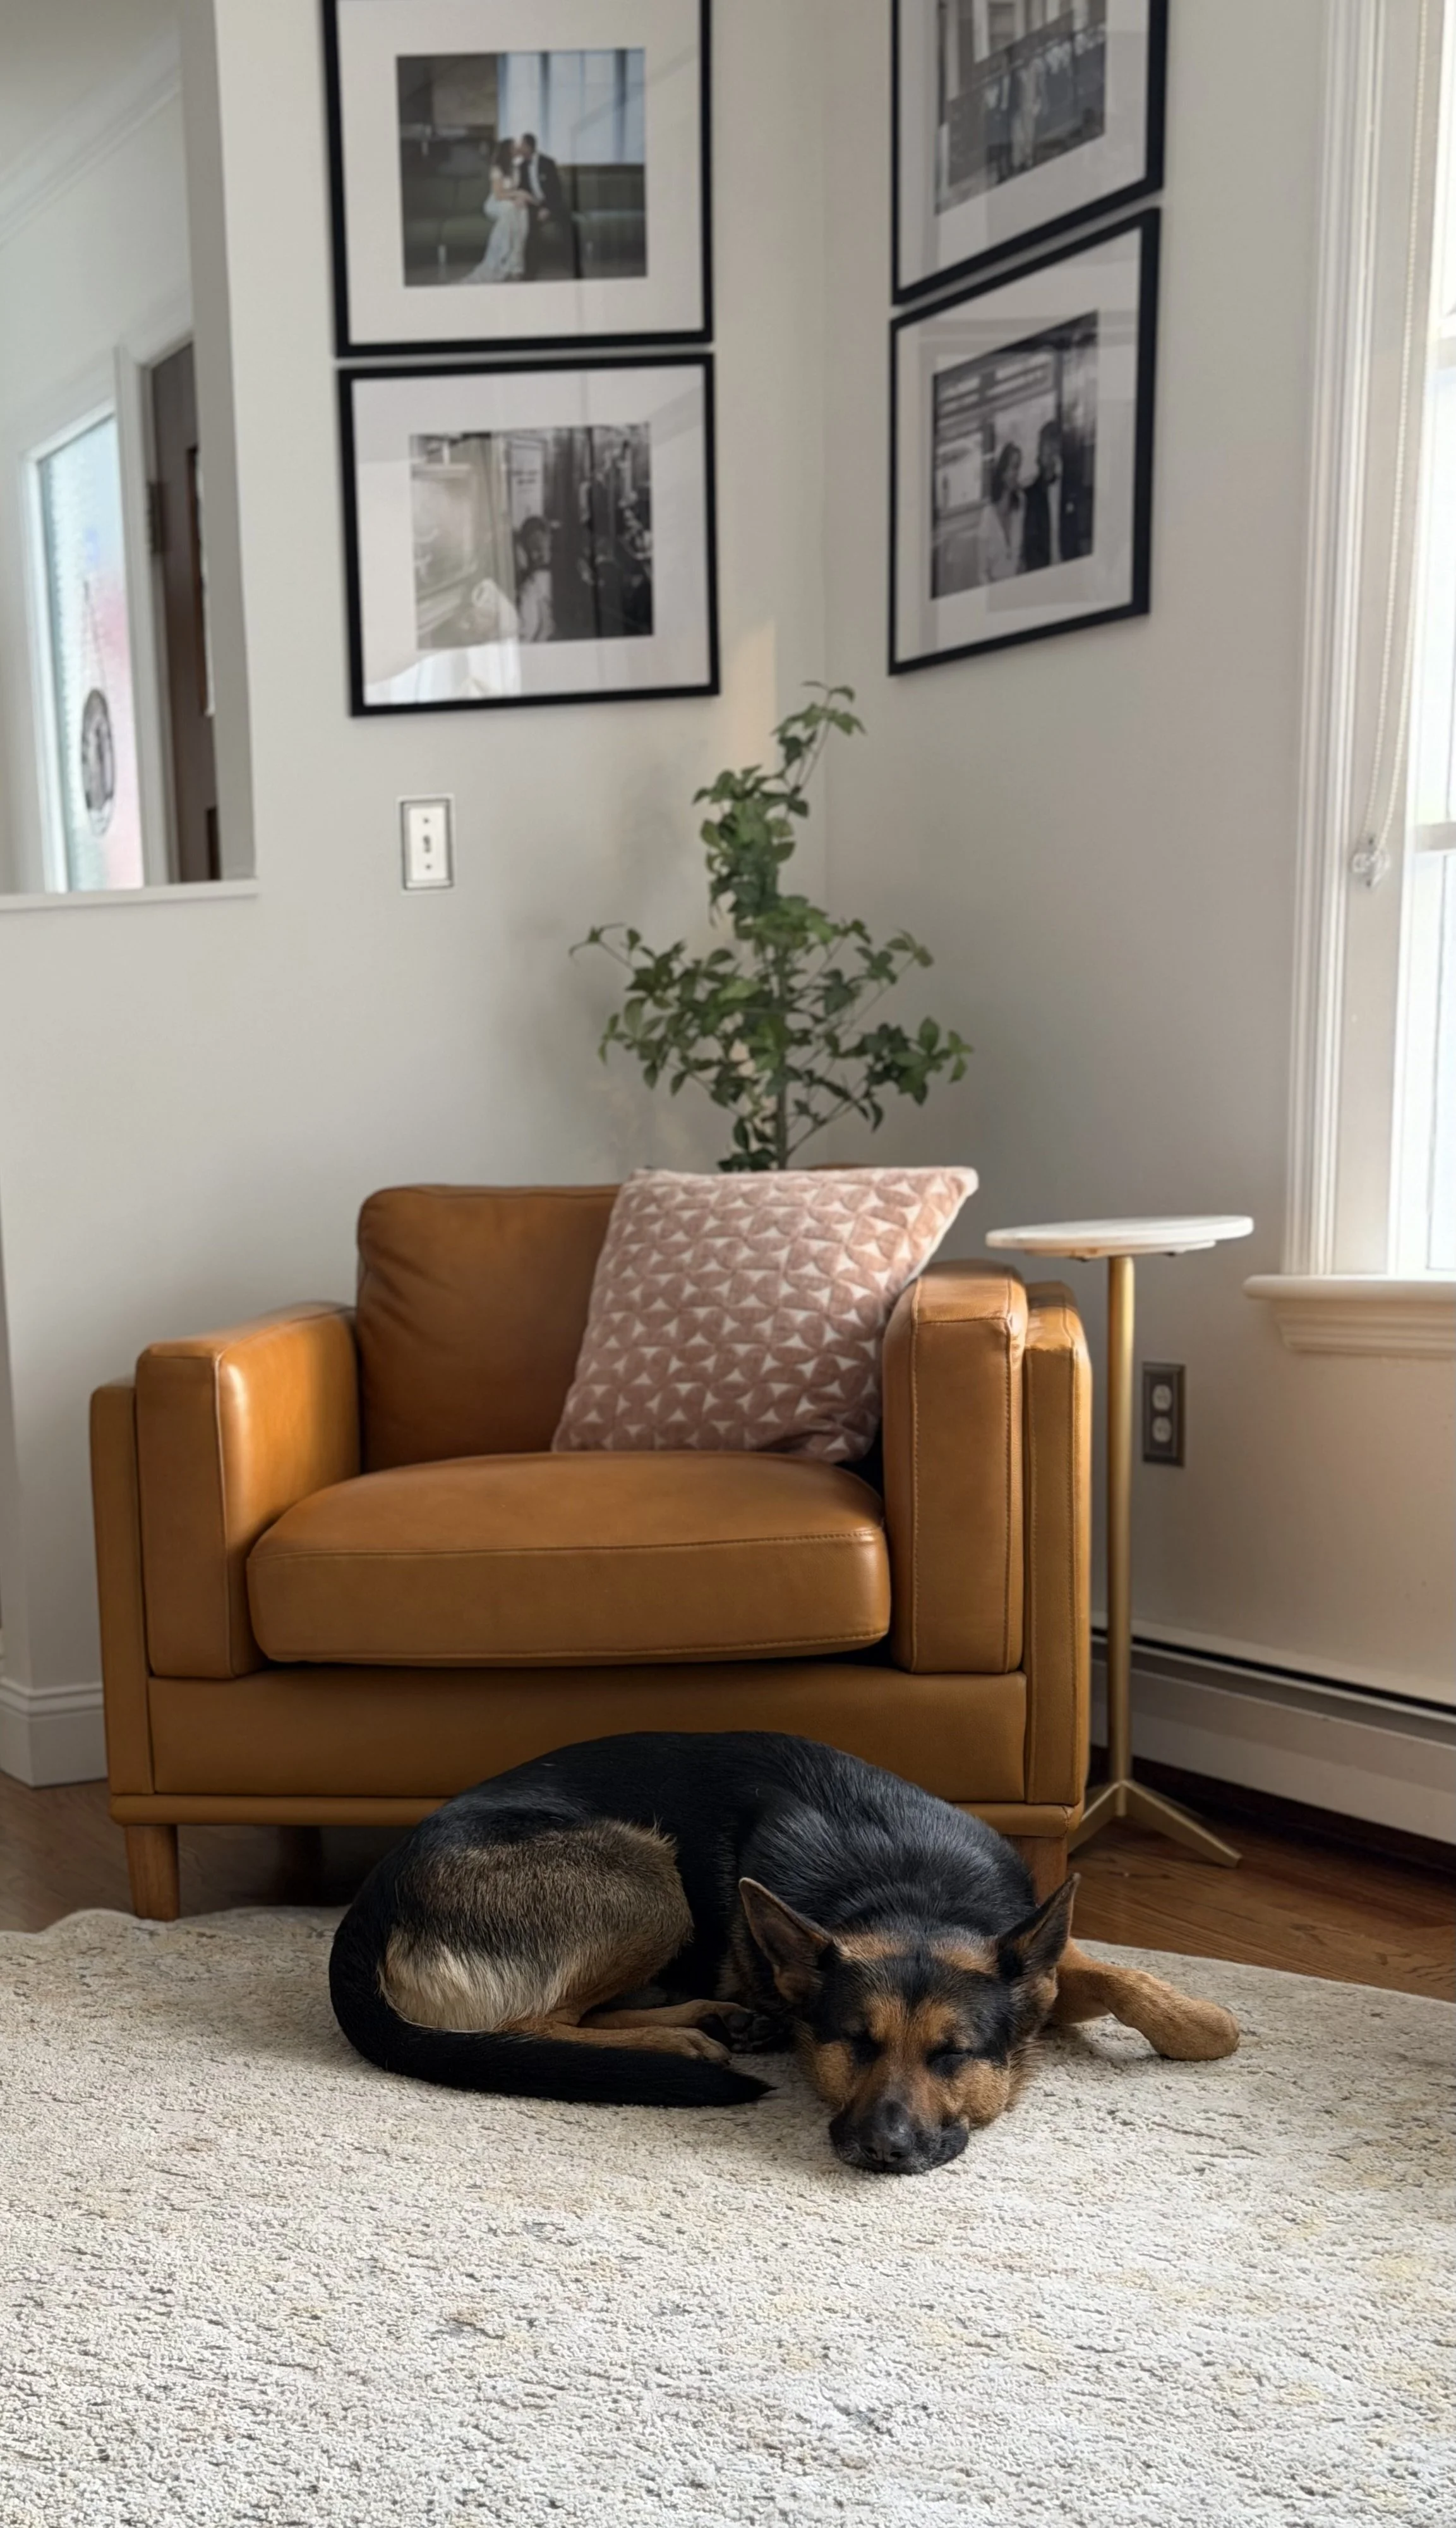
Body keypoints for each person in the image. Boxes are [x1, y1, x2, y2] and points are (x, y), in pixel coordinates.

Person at [513, 132, 579, 279]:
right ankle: (531, 270)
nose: (520, 148)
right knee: (530, 225)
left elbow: (557, 189)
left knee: (568, 222)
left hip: (552, 202)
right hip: (534, 204)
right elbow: (522, 189)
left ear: (529, 147)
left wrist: (548, 208)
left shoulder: (548, 163)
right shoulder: (522, 166)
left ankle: (569, 262)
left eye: (522, 145)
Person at [467, 142, 532, 284]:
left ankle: (516, 265)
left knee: (523, 211)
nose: (516, 150)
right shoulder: (497, 169)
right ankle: (501, 261)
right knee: (510, 209)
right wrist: (518, 194)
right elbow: (499, 195)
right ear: (507, 151)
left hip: (508, 200)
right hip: (495, 203)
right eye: (513, 148)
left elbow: (513, 190)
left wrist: (518, 198)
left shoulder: (515, 168)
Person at [1021, 420, 1073, 572]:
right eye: (1045, 445)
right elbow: (1030, 546)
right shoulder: (1031, 495)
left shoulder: (1070, 488)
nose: (1049, 451)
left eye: (1053, 445)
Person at [975, 440, 1023, 583]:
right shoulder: (988, 516)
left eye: (1018, 468)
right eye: (1014, 467)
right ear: (1003, 471)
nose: (1017, 474)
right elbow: (982, 572)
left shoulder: (1020, 507)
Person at [515, 516, 555, 643]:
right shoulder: (526, 582)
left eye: (538, 549)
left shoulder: (543, 580)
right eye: (528, 550)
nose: (533, 556)